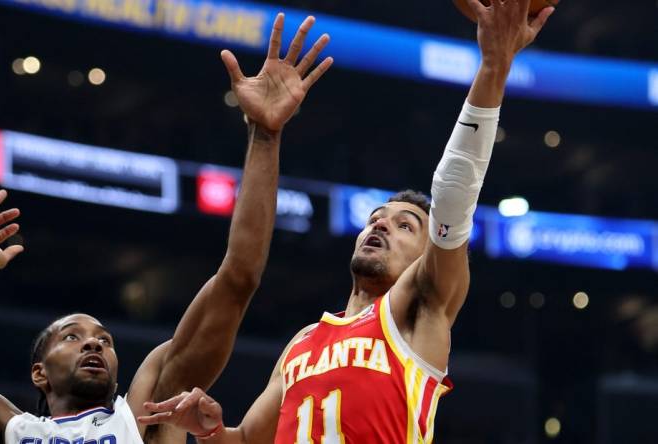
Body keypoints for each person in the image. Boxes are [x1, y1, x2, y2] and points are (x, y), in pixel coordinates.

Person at [0, 13, 333, 444]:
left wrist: (266, 135)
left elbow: (238, 278)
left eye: (104, 340)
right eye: (71, 336)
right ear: (39, 374)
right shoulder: (7, 426)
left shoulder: (147, 412)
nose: (94, 341)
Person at [138, 1, 555, 442]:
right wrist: (212, 430)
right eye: (377, 218)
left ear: (426, 256)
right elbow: (244, 441)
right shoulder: (303, 342)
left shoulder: (419, 311)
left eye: (405, 226)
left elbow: (454, 194)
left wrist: (493, 67)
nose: (381, 226)